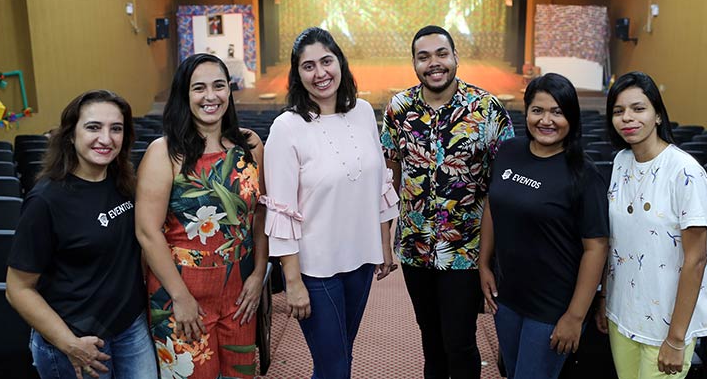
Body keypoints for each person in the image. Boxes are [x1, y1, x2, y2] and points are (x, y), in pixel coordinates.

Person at [262, 27, 399, 379]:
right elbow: (280, 210)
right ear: (297, 74)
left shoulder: (365, 112)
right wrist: (291, 281)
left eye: (327, 61)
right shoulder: (286, 128)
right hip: (314, 269)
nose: (320, 73)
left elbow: (380, 182)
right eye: (308, 66)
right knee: (334, 367)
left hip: (360, 261)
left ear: (341, 63)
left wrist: (384, 245)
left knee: (340, 358)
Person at [380, 25, 513, 379]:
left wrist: (494, 254)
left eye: (441, 54)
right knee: (431, 339)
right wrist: (383, 237)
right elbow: (390, 174)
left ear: (455, 57)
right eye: (424, 57)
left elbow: (504, 183)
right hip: (414, 247)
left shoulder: (487, 108)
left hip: (466, 249)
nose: (433, 63)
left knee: (460, 342)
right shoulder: (399, 108)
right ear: (414, 63)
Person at [6, 90, 157, 379]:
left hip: (130, 326)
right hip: (77, 339)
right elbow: (18, 289)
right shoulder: (46, 200)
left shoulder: (124, 182)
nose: (106, 138)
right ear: (70, 135)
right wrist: (69, 343)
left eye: (116, 128)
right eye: (93, 127)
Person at [135, 53, 268, 378]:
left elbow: (261, 214)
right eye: (199, 88)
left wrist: (259, 274)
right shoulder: (164, 153)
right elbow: (147, 232)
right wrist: (179, 298)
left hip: (239, 289)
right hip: (180, 291)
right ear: (184, 95)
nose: (211, 96)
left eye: (219, 86)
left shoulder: (250, 145)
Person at [478, 73, 609, 379]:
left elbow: (596, 247)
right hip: (508, 299)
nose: (546, 120)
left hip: (553, 308)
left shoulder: (584, 174)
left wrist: (575, 316)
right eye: (538, 110)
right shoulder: (510, 152)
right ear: (526, 112)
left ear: (571, 117)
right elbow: (492, 205)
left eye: (557, 112)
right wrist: (484, 263)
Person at [596, 71, 707, 378]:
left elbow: (696, 259)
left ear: (658, 115)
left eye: (638, 108)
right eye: (618, 111)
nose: (627, 118)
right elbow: (616, 242)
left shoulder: (685, 171)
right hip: (623, 313)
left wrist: (675, 339)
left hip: (667, 323)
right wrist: (606, 299)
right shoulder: (621, 162)